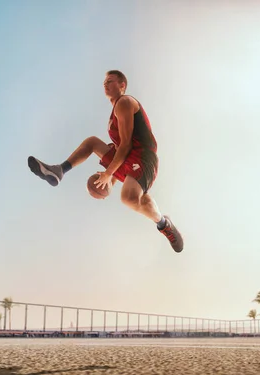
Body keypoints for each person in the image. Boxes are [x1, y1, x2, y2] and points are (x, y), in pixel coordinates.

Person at [27, 70, 184, 253]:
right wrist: (111, 180)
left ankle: (164, 225)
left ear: (122, 86)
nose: (105, 84)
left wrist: (109, 173)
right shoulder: (113, 114)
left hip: (143, 156)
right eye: (104, 82)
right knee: (93, 143)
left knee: (130, 198)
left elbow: (125, 146)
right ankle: (59, 170)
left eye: (110, 81)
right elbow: (120, 150)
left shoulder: (124, 102)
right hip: (128, 159)